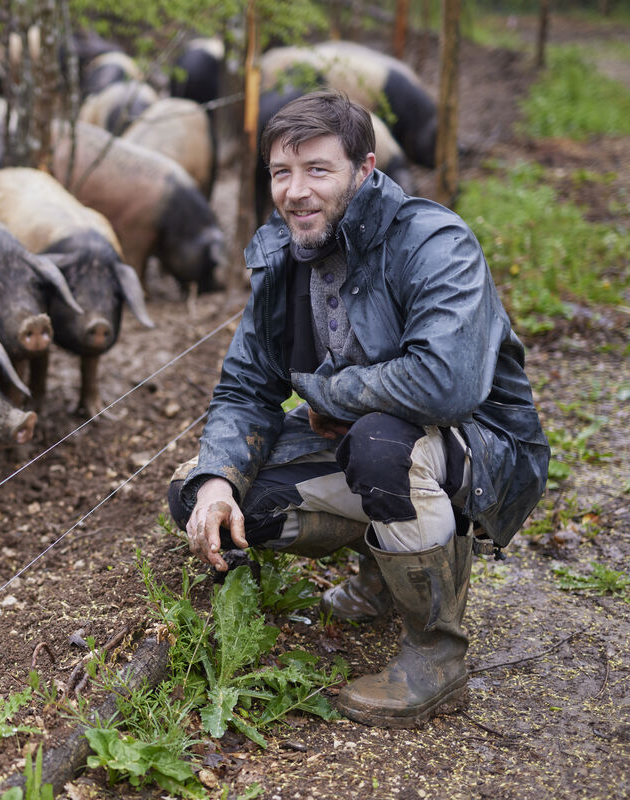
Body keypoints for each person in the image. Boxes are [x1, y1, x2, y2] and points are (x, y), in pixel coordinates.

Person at [167, 90, 549, 728]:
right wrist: (216, 484)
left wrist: (325, 393)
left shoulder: (433, 242)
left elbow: (446, 384)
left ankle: (436, 655)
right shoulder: (283, 256)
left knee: (379, 445)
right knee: (199, 495)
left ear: (364, 169)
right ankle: (383, 572)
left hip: (482, 448)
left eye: (317, 169)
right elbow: (245, 388)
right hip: (375, 440)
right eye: (281, 172)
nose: (296, 191)